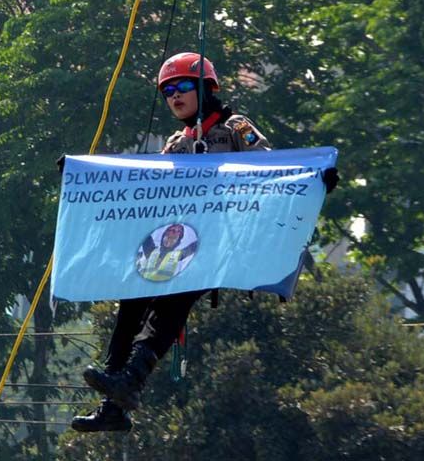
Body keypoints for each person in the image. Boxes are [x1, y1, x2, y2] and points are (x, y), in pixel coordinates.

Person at [71, 52, 274, 433]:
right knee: (130, 296)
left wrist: (319, 176)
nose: (174, 96)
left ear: (205, 88)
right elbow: (147, 186)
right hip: (178, 242)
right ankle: (113, 402)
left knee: (172, 298)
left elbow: (273, 168)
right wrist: (83, 176)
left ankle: (132, 380)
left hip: (220, 242)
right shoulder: (176, 144)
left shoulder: (234, 128)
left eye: (183, 87)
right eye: (167, 91)